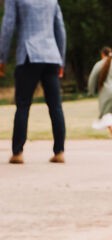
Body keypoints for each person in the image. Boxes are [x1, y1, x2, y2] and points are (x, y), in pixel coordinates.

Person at [0, 0, 66, 164]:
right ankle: (59, 152)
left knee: (23, 105)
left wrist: (2, 57)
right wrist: (61, 60)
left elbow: (8, 25)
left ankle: (17, 152)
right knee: (55, 106)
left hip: (28, 55)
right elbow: (60, 28)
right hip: (51, 55)